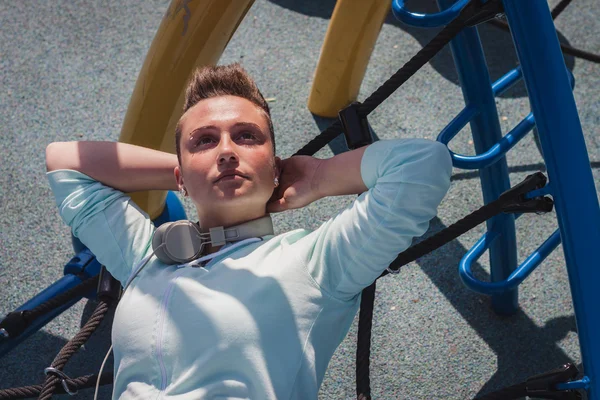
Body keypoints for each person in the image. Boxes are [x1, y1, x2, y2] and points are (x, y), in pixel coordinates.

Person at [45, 63, 452, 400]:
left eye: (246, 136)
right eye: (204, 141)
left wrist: (321, 175)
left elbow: (422, 165)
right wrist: (189, 173)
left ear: (275, 167)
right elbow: (64, 160)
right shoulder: (146, 256)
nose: (226, 151)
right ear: (179, 176)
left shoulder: (314, 262)